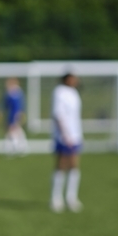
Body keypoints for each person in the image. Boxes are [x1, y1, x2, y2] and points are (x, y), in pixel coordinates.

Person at [50, 72, 83, 213]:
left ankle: (71, 197)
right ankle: (56, 198)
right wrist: (65, 134)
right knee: (61, 165)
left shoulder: (74, 92)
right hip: (64, 136)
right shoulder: (59, 92)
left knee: (74, 165)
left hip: (76, 135)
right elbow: (58, 114)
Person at [0, 77, 29, 156]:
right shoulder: (11, 93)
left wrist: (18, 115)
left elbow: (17, 107)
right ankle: (20, 147)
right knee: (17, 131)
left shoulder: (15, 93)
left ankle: (15, 148)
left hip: (15, 114)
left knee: (13, 131)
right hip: (12, 114)